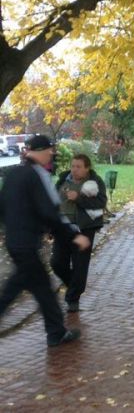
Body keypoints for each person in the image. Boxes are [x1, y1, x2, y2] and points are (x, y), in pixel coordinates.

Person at [0, 135, 90, 347]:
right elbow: (50, 212)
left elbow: (2, 207)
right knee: (18, 288)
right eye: (49, 150)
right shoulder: (37, 175)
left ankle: (56, 332)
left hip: (15, 243)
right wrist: (73, 235)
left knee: (40, 289)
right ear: (39, 151)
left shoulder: (12, 173)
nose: (51, 153)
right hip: (26, 245)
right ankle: (56, 333)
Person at [51, 154, 107, 313]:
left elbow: (101, 202)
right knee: (56, 262)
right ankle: (74, 286)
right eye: (73, 166)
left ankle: (73, 299)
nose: (74, 169)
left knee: (80, 266)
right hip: (62, 228)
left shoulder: (95, 182)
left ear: (87, 168)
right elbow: (53, 202)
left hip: (84, 229)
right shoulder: (63, 180)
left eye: (78, 167)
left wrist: (78, 199)